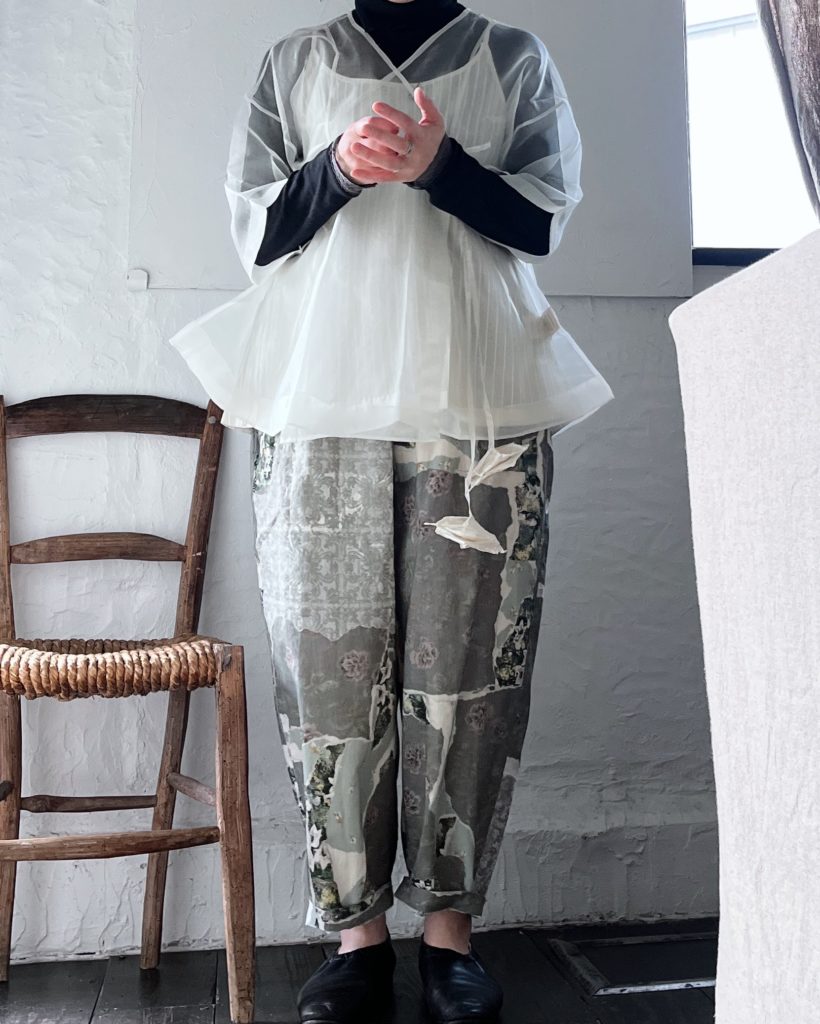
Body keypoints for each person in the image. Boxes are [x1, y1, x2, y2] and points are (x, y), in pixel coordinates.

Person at [168, 1, 615, 1021]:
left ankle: (450, 936)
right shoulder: (296, 63)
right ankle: (355, 935)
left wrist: (439, 166)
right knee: (327, 669)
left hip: (481, 402)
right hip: (321, 403)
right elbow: (257, 232)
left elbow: (542, 221)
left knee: (472, 673)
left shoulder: (512, 60)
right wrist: (337, 167)